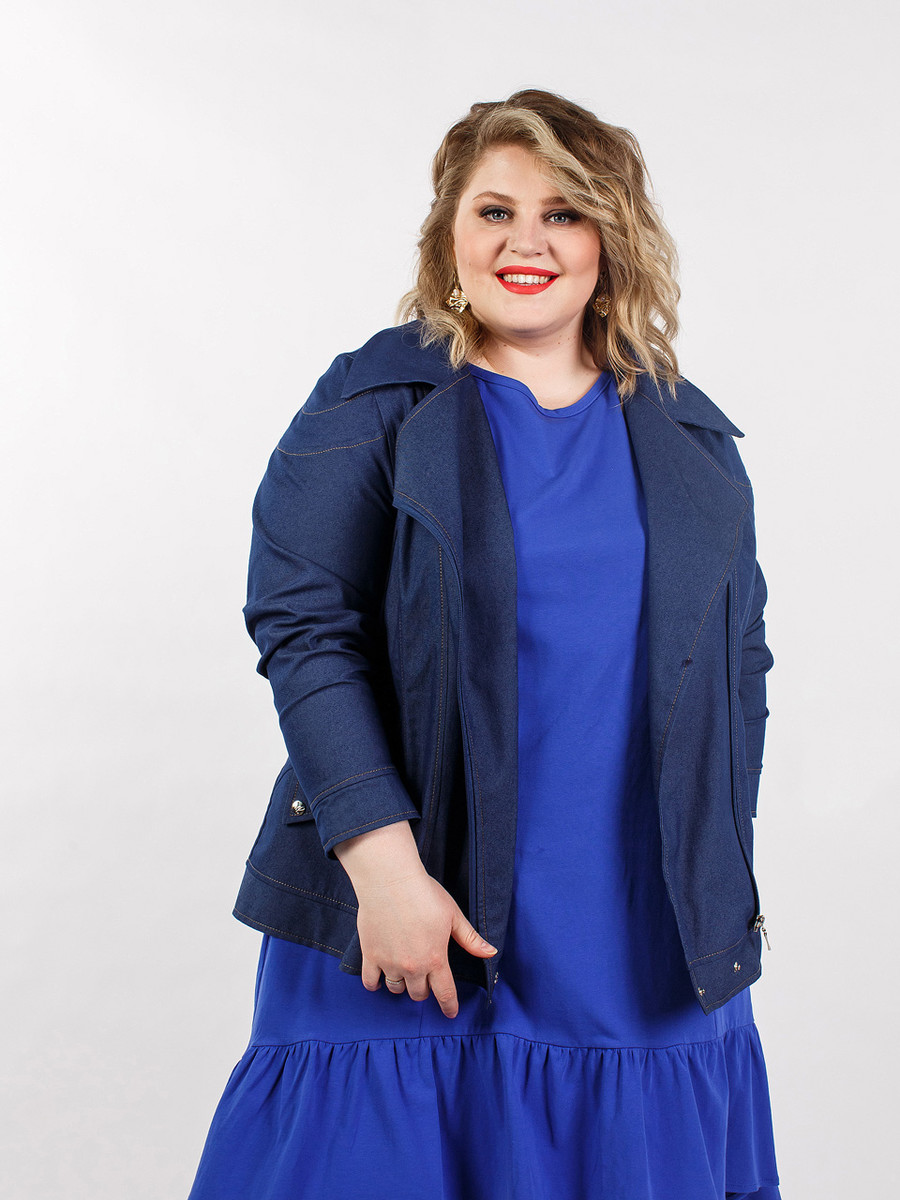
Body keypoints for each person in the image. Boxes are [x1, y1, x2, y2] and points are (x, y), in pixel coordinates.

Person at [187, 89, 782, 1200]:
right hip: (420, 911)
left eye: (564, 213)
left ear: (611, 238)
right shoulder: (378, 398)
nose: (526, 242)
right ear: (450, 237)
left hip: (636, 929)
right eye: (495, 211)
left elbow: (738, 658)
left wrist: (713, 872)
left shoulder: (689, 434)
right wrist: (383, 869)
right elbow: (304, 625)